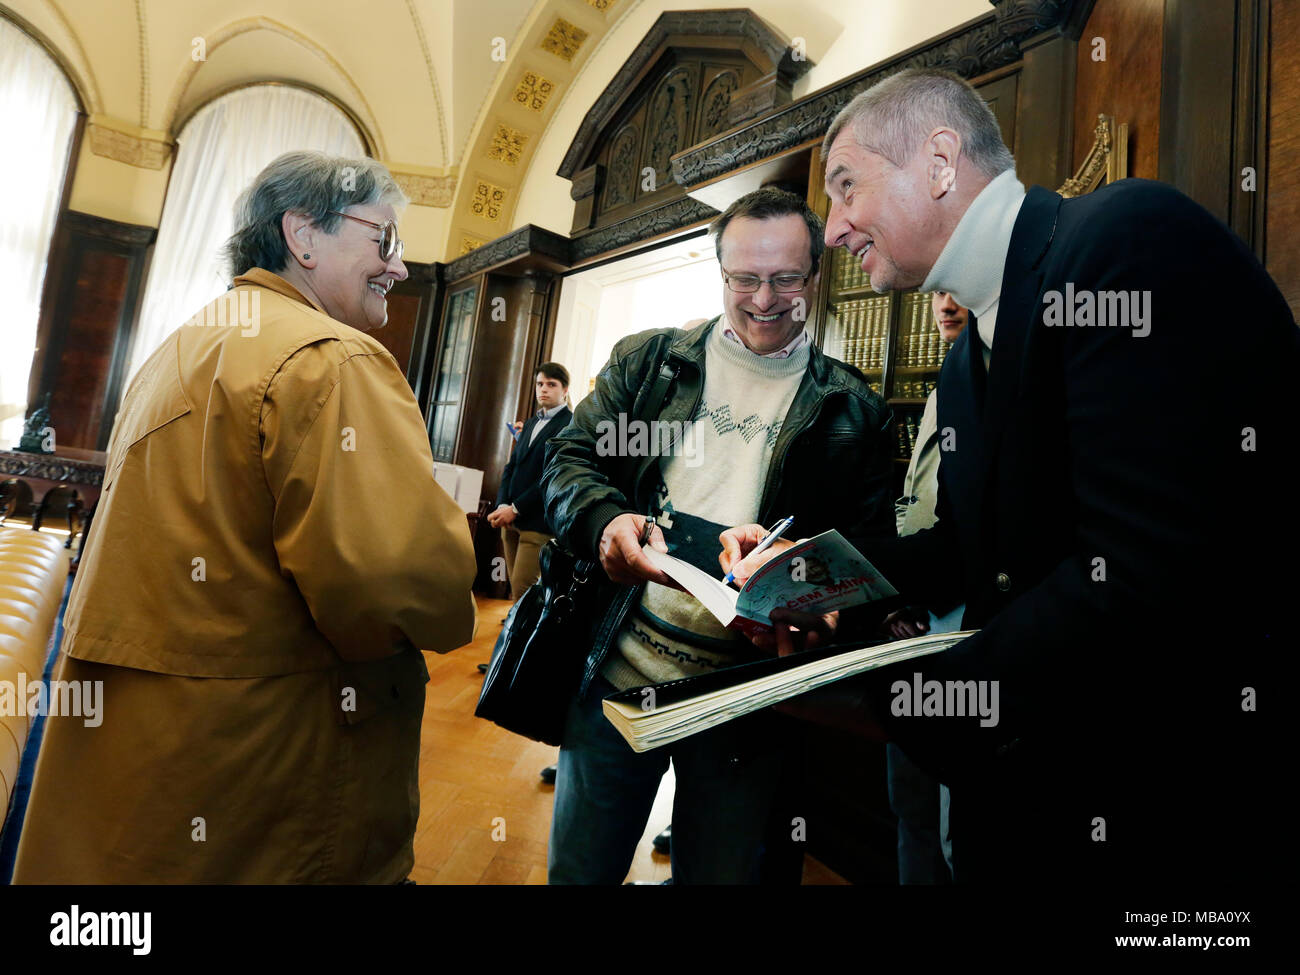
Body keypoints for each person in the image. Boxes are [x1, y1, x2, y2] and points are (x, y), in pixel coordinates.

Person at [722, 67, 1295, 883]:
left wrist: (895, 700)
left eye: (846, 187)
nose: (836, 227)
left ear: (940, 161)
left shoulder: (1123, 241)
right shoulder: (963, 369)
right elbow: (967, 548)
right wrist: (809, 582)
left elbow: (1137, 578)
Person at [12, 151, 478, 883]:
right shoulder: (330, 358)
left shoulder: (183, 342)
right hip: (268, 773)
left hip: (144, 770)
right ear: (303, 236)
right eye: (383, 239)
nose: (400, 267)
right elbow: (402, 582)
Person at [540, 186, 895, 884]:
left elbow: (869, 556)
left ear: (816, 278)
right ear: (721, 274)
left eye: (787, 278)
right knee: (580, 871)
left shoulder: (854, 409)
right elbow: (567, 460)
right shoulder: (649, 364)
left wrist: (816, 601)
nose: (765, 299)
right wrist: (608, 520)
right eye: (745, 279)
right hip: (616, 681)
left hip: (745, 707)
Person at [883, 290, 968, 884]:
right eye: (936, 291)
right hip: (913, 629)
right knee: (910, 805)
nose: (946, 303)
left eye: (959, 289)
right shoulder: (945, 384)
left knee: (956, 828)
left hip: (965, 630)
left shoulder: (1010, 379)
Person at [486, 363, 572, 600]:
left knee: (525, 592)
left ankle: (519, 637)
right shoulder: (531, 423)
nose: (543, 389)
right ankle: (515, 634)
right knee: (516, 590)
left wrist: (515, 508)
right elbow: (511, 466)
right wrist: (503, 504)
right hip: (511, 520)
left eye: (551, 385)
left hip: (538, 523)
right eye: (540, 384)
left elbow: (552, 476)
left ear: (565, 389)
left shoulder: (570, 425)